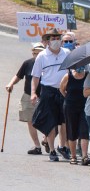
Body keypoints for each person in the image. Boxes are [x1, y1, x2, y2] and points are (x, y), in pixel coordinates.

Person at [31, 28, 71, 162]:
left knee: (64, 121)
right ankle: (52, 149)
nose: (56, 41)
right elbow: (36, 77)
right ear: (47, 41)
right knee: (50, 121)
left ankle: (62, 146)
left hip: (64, 90)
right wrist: (33, 93)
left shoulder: (66, 53)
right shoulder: (42, 56)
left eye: (57, 38)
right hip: (48, 91)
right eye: (53, 39)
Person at [6, 42, 45, 154]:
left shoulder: (48, 64)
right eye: (34, 53)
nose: (36, 55)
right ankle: (37, 146)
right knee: (30, 120)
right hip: (28, 95)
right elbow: (19, 76)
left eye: (39, 53)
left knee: (48, 120)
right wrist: (11, 83)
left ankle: (46, 140)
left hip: (45, 96)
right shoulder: (27, 63)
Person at [59, 66, 90, 166]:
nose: (80, 68)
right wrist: (68, 98)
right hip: (70, 106)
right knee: (72, 131)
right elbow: (62, 89)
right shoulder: (67, 76)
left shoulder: (87, 75)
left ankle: (85, 156)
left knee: (84, 131)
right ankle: (73, 156)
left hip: (84, 107)